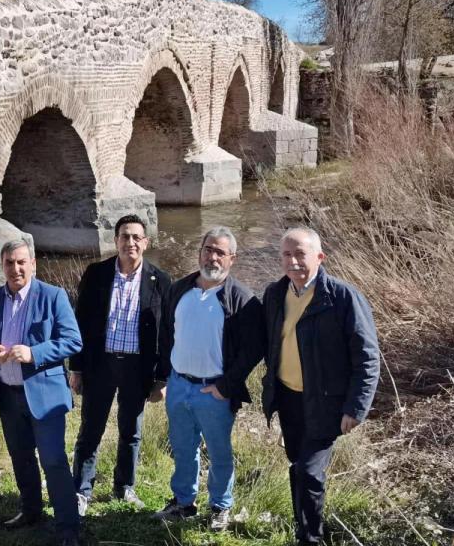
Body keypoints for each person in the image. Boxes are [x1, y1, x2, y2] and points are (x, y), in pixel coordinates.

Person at [259, 227, 380, 546]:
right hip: (288, 397)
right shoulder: (275, 294)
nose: (293, 261)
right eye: (287, 254)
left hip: (325, 402)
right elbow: (269, 343)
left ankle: (312, 539)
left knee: (309, 471)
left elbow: (367, 357)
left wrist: (356, 407)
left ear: (320, 257)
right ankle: (303, 531)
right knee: (297, 465)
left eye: (300, 254)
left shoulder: (342, 297)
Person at [152, 226, 265, 532]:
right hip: (179, 385)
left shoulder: (242, 299)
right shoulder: (179, 289)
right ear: (200, 251)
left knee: (219, 452)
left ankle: (220, 506)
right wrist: (163, 378)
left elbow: (253, 349)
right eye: (208, 249)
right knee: (182, 448)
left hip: (213, 392)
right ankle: (183, 502)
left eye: (220, 252)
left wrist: (226, 386)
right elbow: (167, 334)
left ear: (232, 259)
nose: (212, 257)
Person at [0, 239, 83, 546]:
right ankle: (31, 511)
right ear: (2, 266)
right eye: (9, 263)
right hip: (8, 395)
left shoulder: (53, 295)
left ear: (33, 263)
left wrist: (34, 353)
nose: (16, 268)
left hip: (45, 397)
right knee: (21, 458)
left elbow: (73, 340)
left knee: (53, 460)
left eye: (21, 262)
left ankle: (68, 527)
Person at [69, 214, 171, 514]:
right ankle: (81, 489)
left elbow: (167, 333)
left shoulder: (160, 280)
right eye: (125, 236)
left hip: (137, 368)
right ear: (115, 241)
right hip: (100, 364)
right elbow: (80, 322)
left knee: (131, 431)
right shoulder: (96, 273)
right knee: (91, 429)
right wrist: (76, 368)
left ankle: (124, 486)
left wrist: (162, 378)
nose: (130, 242)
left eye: (136, 237)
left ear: (146, 243)